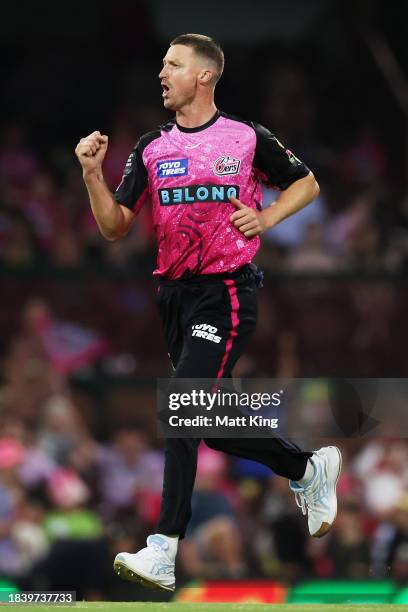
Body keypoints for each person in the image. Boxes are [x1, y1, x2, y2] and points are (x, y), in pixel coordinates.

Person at [75, 33, 342, 592]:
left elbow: (307, 182)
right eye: (162, 65)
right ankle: (307, 468)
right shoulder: (150, 146)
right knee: (208, 423)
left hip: (225, 290)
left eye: (172, 65)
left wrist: (266, 220)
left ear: (203, 76)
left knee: (182, 404)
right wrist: (92, 175)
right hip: (173, 297)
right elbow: (115, 225)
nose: (162, 74)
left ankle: (163, 549)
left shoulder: (244, 138)